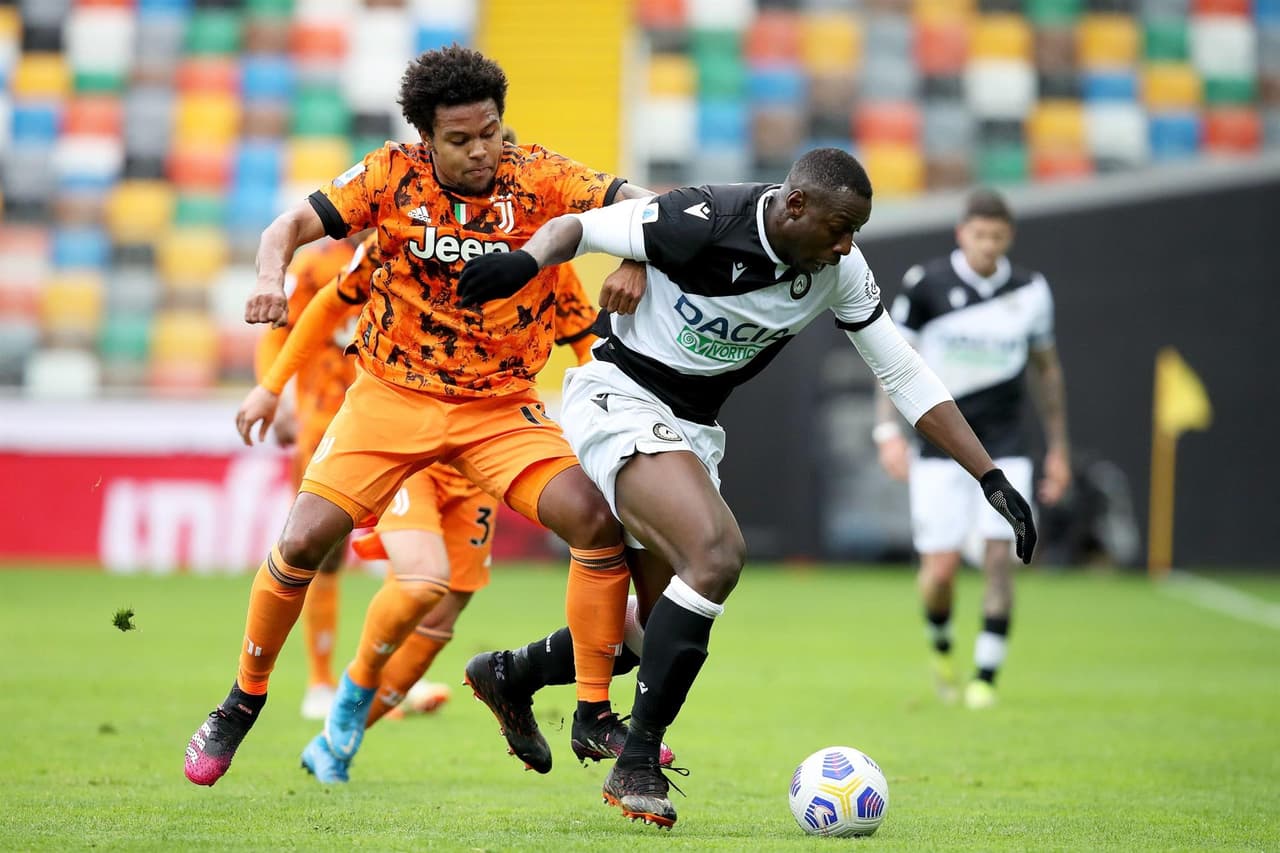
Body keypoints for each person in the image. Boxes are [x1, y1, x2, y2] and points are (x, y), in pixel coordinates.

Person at [456, 147, 1038, 827]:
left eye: (855, 231)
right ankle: (636, 761)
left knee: (650, 633)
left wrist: (988, 474)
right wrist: (527, 262)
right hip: (620, 395)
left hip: (693, 429)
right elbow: (579, 227)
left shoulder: (840, 269)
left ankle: (511, 673)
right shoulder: (705, 216)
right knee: (716, 556)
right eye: (839, 228)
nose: (846, 245)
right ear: (796, 205)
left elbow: (903, 372)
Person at [183, 45, 654, 788]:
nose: (480, 151)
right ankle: (242, 701)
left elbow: (651, 206)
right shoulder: (389, 177)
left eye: (490, 132)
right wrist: (270, 281)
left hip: (498, 410)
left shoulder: (540, 178)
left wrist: (636, 256)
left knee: (594, 525)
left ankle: (592, 708)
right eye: (459, 139)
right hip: (391, 400)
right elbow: (286, 228)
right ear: (425, 138)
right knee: (302, 541)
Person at [239, 226, 631, 782]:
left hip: (485, 452)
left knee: (443, 616)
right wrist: (272, 388)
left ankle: (336, 740)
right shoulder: (398, 242)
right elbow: (315, 313)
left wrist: (611, 416)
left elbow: (586, 341)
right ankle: (342, 683)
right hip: (401, 440)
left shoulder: (544, 261)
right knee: (417, 579)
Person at [872, 188, 1069, 710]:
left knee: (1001, 557)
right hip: (940, 445)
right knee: (939, 572)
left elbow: (1047, 371)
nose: (987, 246)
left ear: (1009, 238)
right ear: (962, 233)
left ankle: (985, 677)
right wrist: (887, 432)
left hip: (1006, 446)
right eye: (979, 235)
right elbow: (891, 359)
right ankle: (941, 647)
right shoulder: (926, 283)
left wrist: (1059, 449)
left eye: (997, 237)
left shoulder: (1030, 290)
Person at [252, 237, 361, 719]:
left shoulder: (413, 249)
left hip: (398, 423)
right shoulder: (318, 265)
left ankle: (393, 678)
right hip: (324, 425)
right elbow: (278, 333)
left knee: (414, 550)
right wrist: (274, 394)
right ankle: (320, 680)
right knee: (325, 550)